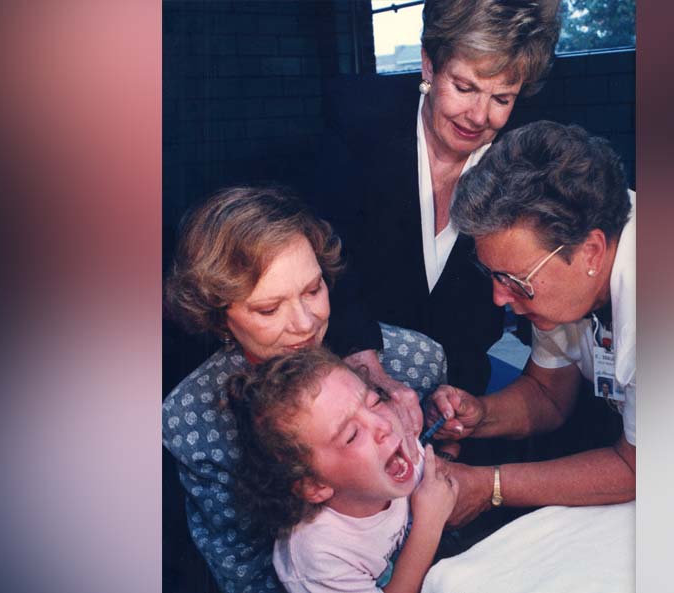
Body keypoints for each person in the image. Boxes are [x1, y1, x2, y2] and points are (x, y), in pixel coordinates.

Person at [162, 186, 447, 593]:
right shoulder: (191, 420)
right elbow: (247, 576)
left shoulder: (414, 361)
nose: (305, 324)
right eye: (268, 309)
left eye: (313, 290)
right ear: (219, 318)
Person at [314, 0, 562, 396]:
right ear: (429, 65)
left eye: (502, 99)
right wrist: (365, 369)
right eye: (464, 88)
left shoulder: (526, 159)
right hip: (354, 381)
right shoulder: (357, 130)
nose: (479, 116)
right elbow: (324, 267)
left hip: (462, 396)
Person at [427, 120, 636, 527]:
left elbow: (637, 469)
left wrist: (491, 487)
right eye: (493, 275)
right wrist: (479, 416)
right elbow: (549, 394)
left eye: (514, 281)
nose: (499, 298)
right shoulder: (564, 271)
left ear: (591, 252)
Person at [226, 348, 458, 593]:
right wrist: (429, 526)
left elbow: (436, 479)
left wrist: (449, 445)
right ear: (314, 485)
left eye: (375, 402)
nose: (384, 425)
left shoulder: (393, 456)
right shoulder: (317, 554)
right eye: (352, 435)